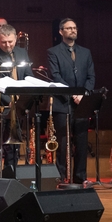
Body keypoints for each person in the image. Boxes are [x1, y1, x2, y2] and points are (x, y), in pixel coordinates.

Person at [47, 18, 95, 184]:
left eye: (74, 28)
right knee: (63, 142)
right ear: (61, 32)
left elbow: (91, 77)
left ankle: (80, 177)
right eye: (68, 28)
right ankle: (61, 177)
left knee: (81, 141)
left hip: (82, 102)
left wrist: (83, 94)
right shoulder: (53, 52)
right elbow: (55, 76)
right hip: (63, 103)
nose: (73, 30)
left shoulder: (85, 52)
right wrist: (72, 94)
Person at [0, 23, 32, 169]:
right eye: (3, 42)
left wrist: (23, 99)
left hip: (19, 104)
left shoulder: (22, 53)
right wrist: (11, 100)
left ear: (15, 38)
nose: (7, 45)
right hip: (2, 105)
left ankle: (11, 171)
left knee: (14, 145)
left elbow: (28, 76)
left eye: (10, 42)